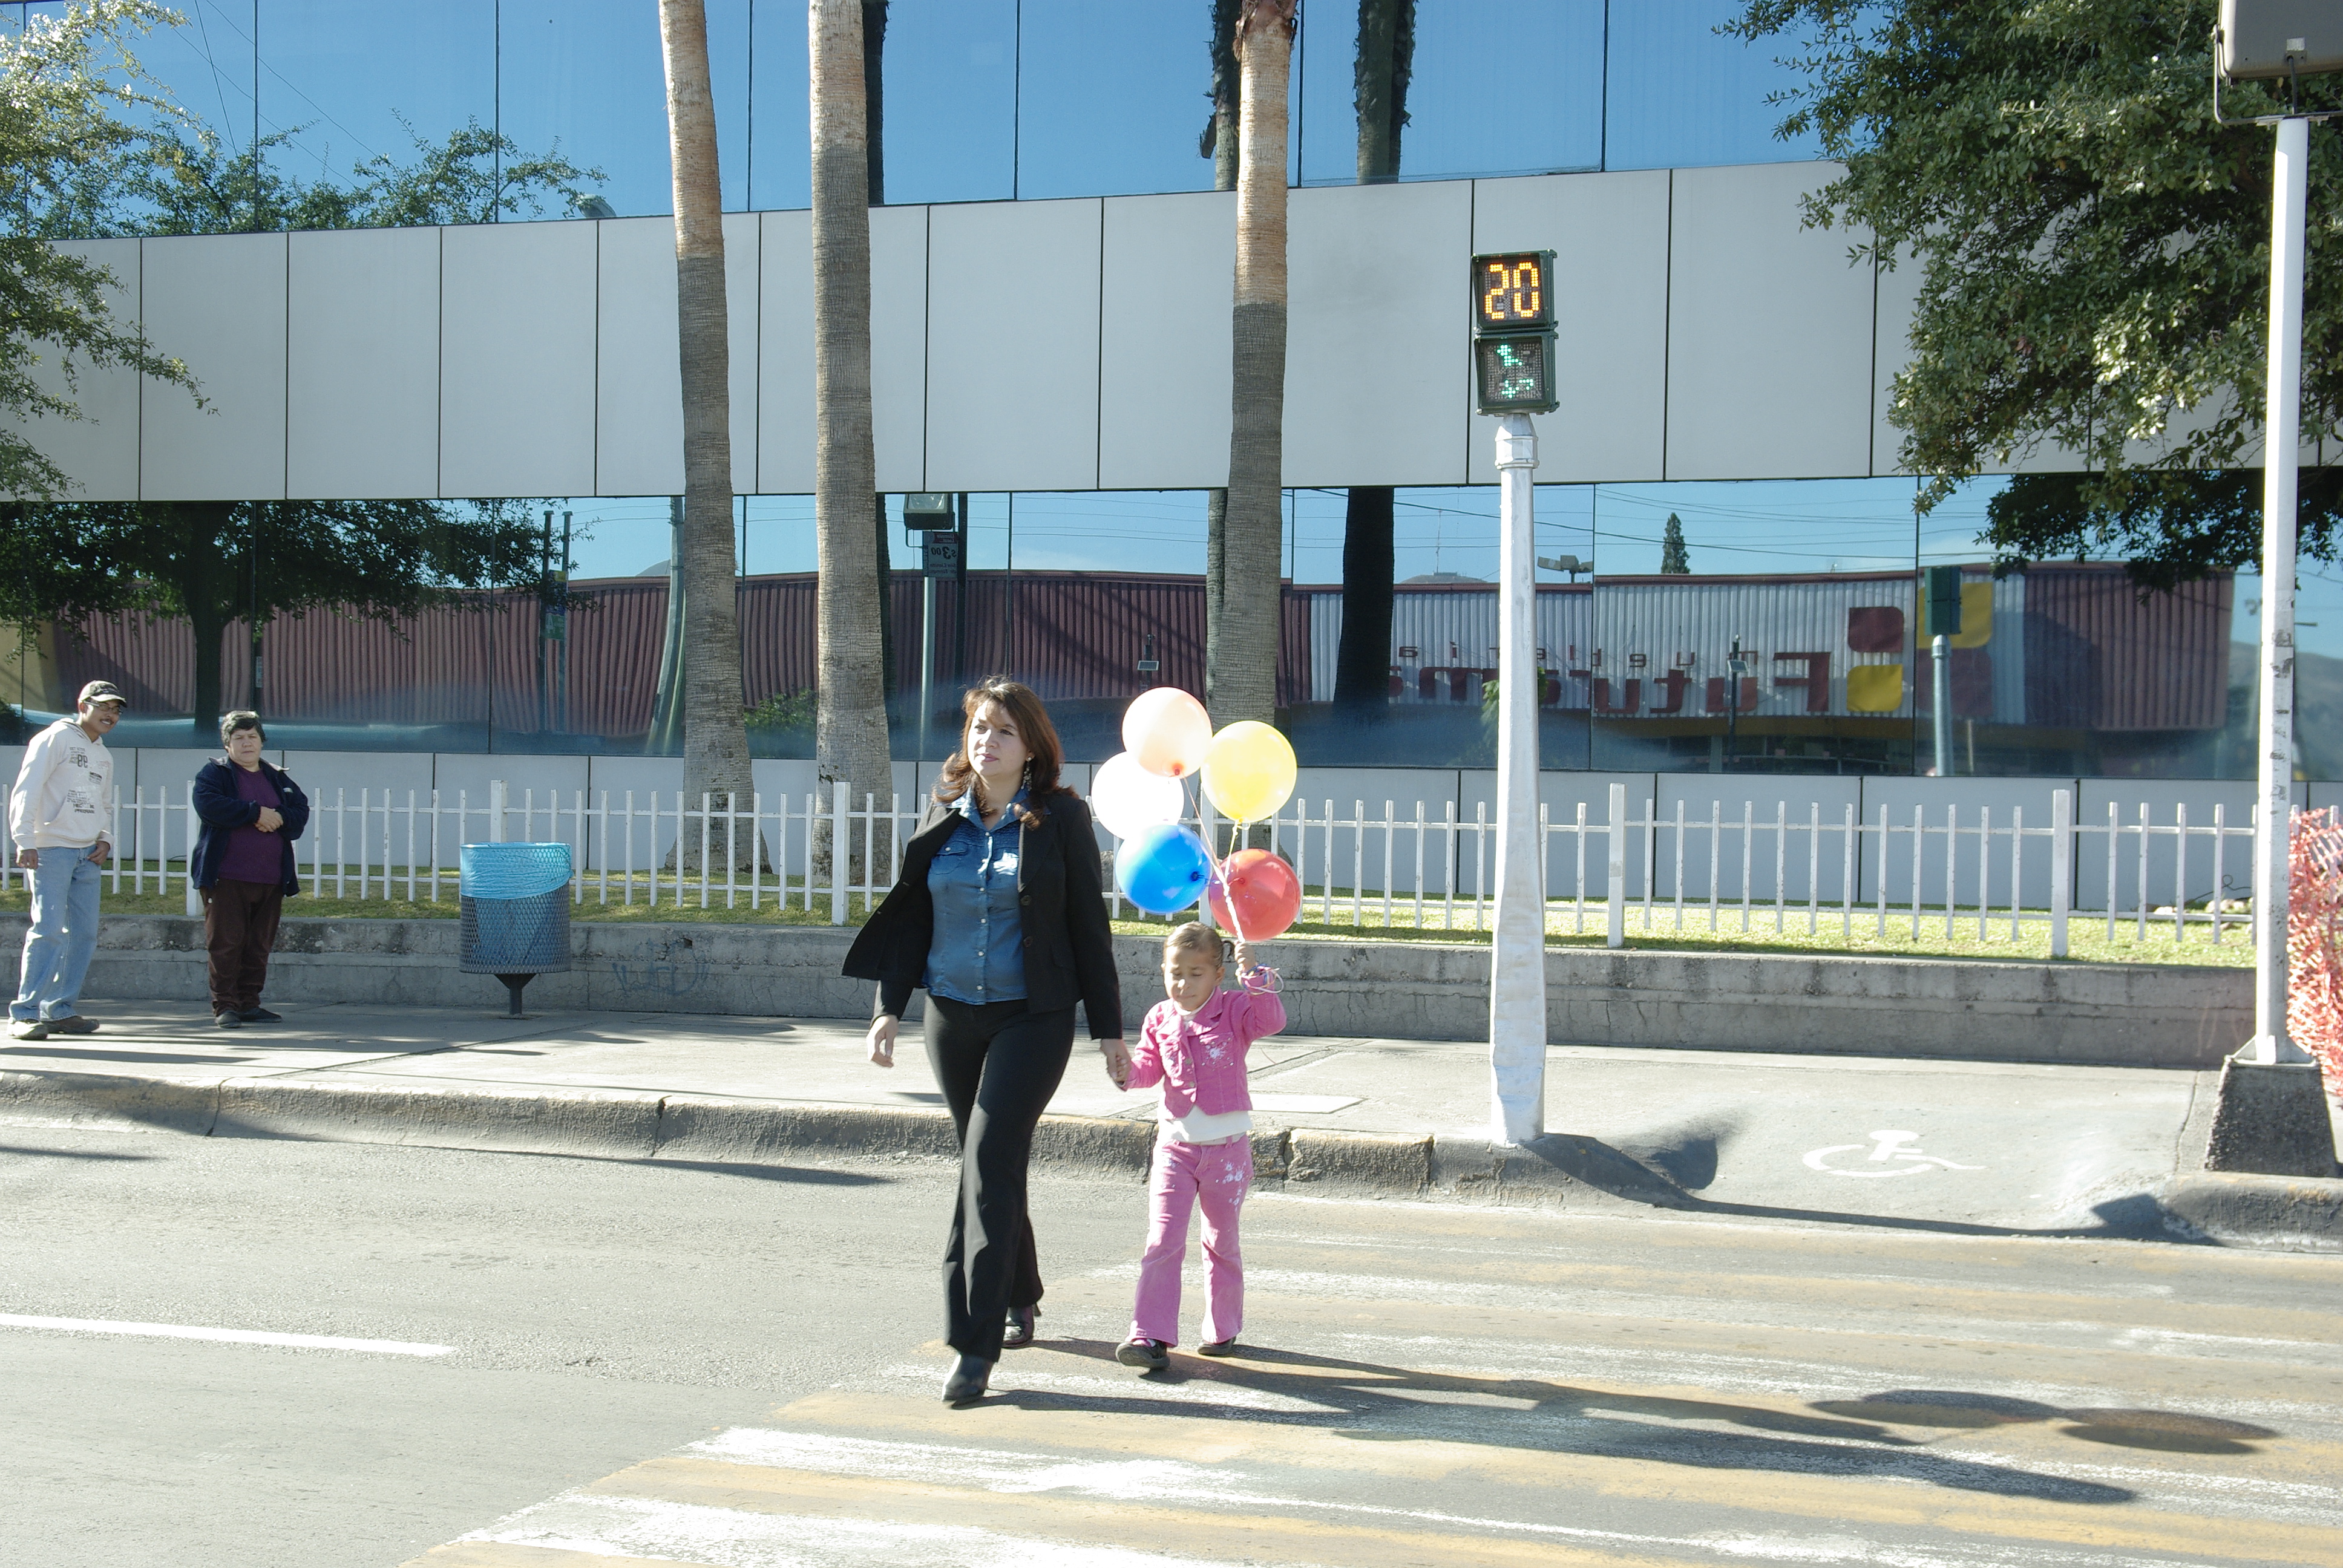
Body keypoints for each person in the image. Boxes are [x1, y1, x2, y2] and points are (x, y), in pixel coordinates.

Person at [844, 677, 1129, 1408]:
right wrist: (887, 1008)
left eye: (1003, 730)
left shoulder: (1060, 818)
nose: (987, 741)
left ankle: (973, 1346)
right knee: (988, 1166)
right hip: (950, 1015)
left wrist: (1109, 1032)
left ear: (1031, 746)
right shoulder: (943, 811)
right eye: (978, 727)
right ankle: (1019, 1288)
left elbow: (1087, 927)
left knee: (986, 1160)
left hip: (1031, 1018)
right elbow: (913, 915)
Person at [1116, 923, 1285, 1371]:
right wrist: (1127, 1073)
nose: (1183, 984)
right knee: (1162, 1241)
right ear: (1163, 971)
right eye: (1175, 973)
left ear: (1217, 975)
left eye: (1196, 974)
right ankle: (1149, 1335)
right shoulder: (1159, 1017)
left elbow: (1271, 1021)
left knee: (1220, 1242)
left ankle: (1222, 1328)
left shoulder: (1235, 1008)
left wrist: (1255, 976)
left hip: (1227, 1154)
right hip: (1175, 1148)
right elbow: (1150, 1067)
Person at [8, 681, 126, 1041]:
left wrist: (105, 839)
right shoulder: (54, 738)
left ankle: (59, 1009)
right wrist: (25, 840)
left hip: (88, 853)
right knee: (48, 930)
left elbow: (104, 804)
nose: (110, 715)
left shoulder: (104, 754)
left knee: (85, 934)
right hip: (51, 849)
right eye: (103, 707)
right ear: (82, 705)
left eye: (116, 710)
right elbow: (27, 788)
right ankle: (25, 1013)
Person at [190, 711, 309, 1029]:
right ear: (227, 745)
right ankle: (226, 1006)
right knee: (226, 943)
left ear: (262, 742)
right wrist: (255, 813)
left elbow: (300, 811)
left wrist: (279, 817)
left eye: (252, 737)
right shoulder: (214, 774)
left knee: (258, 945)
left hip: (271, 878)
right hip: (226, 876)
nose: (247, 743)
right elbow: (209, 806)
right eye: (239, 738)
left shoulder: (277, 777)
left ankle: (249, 1003)